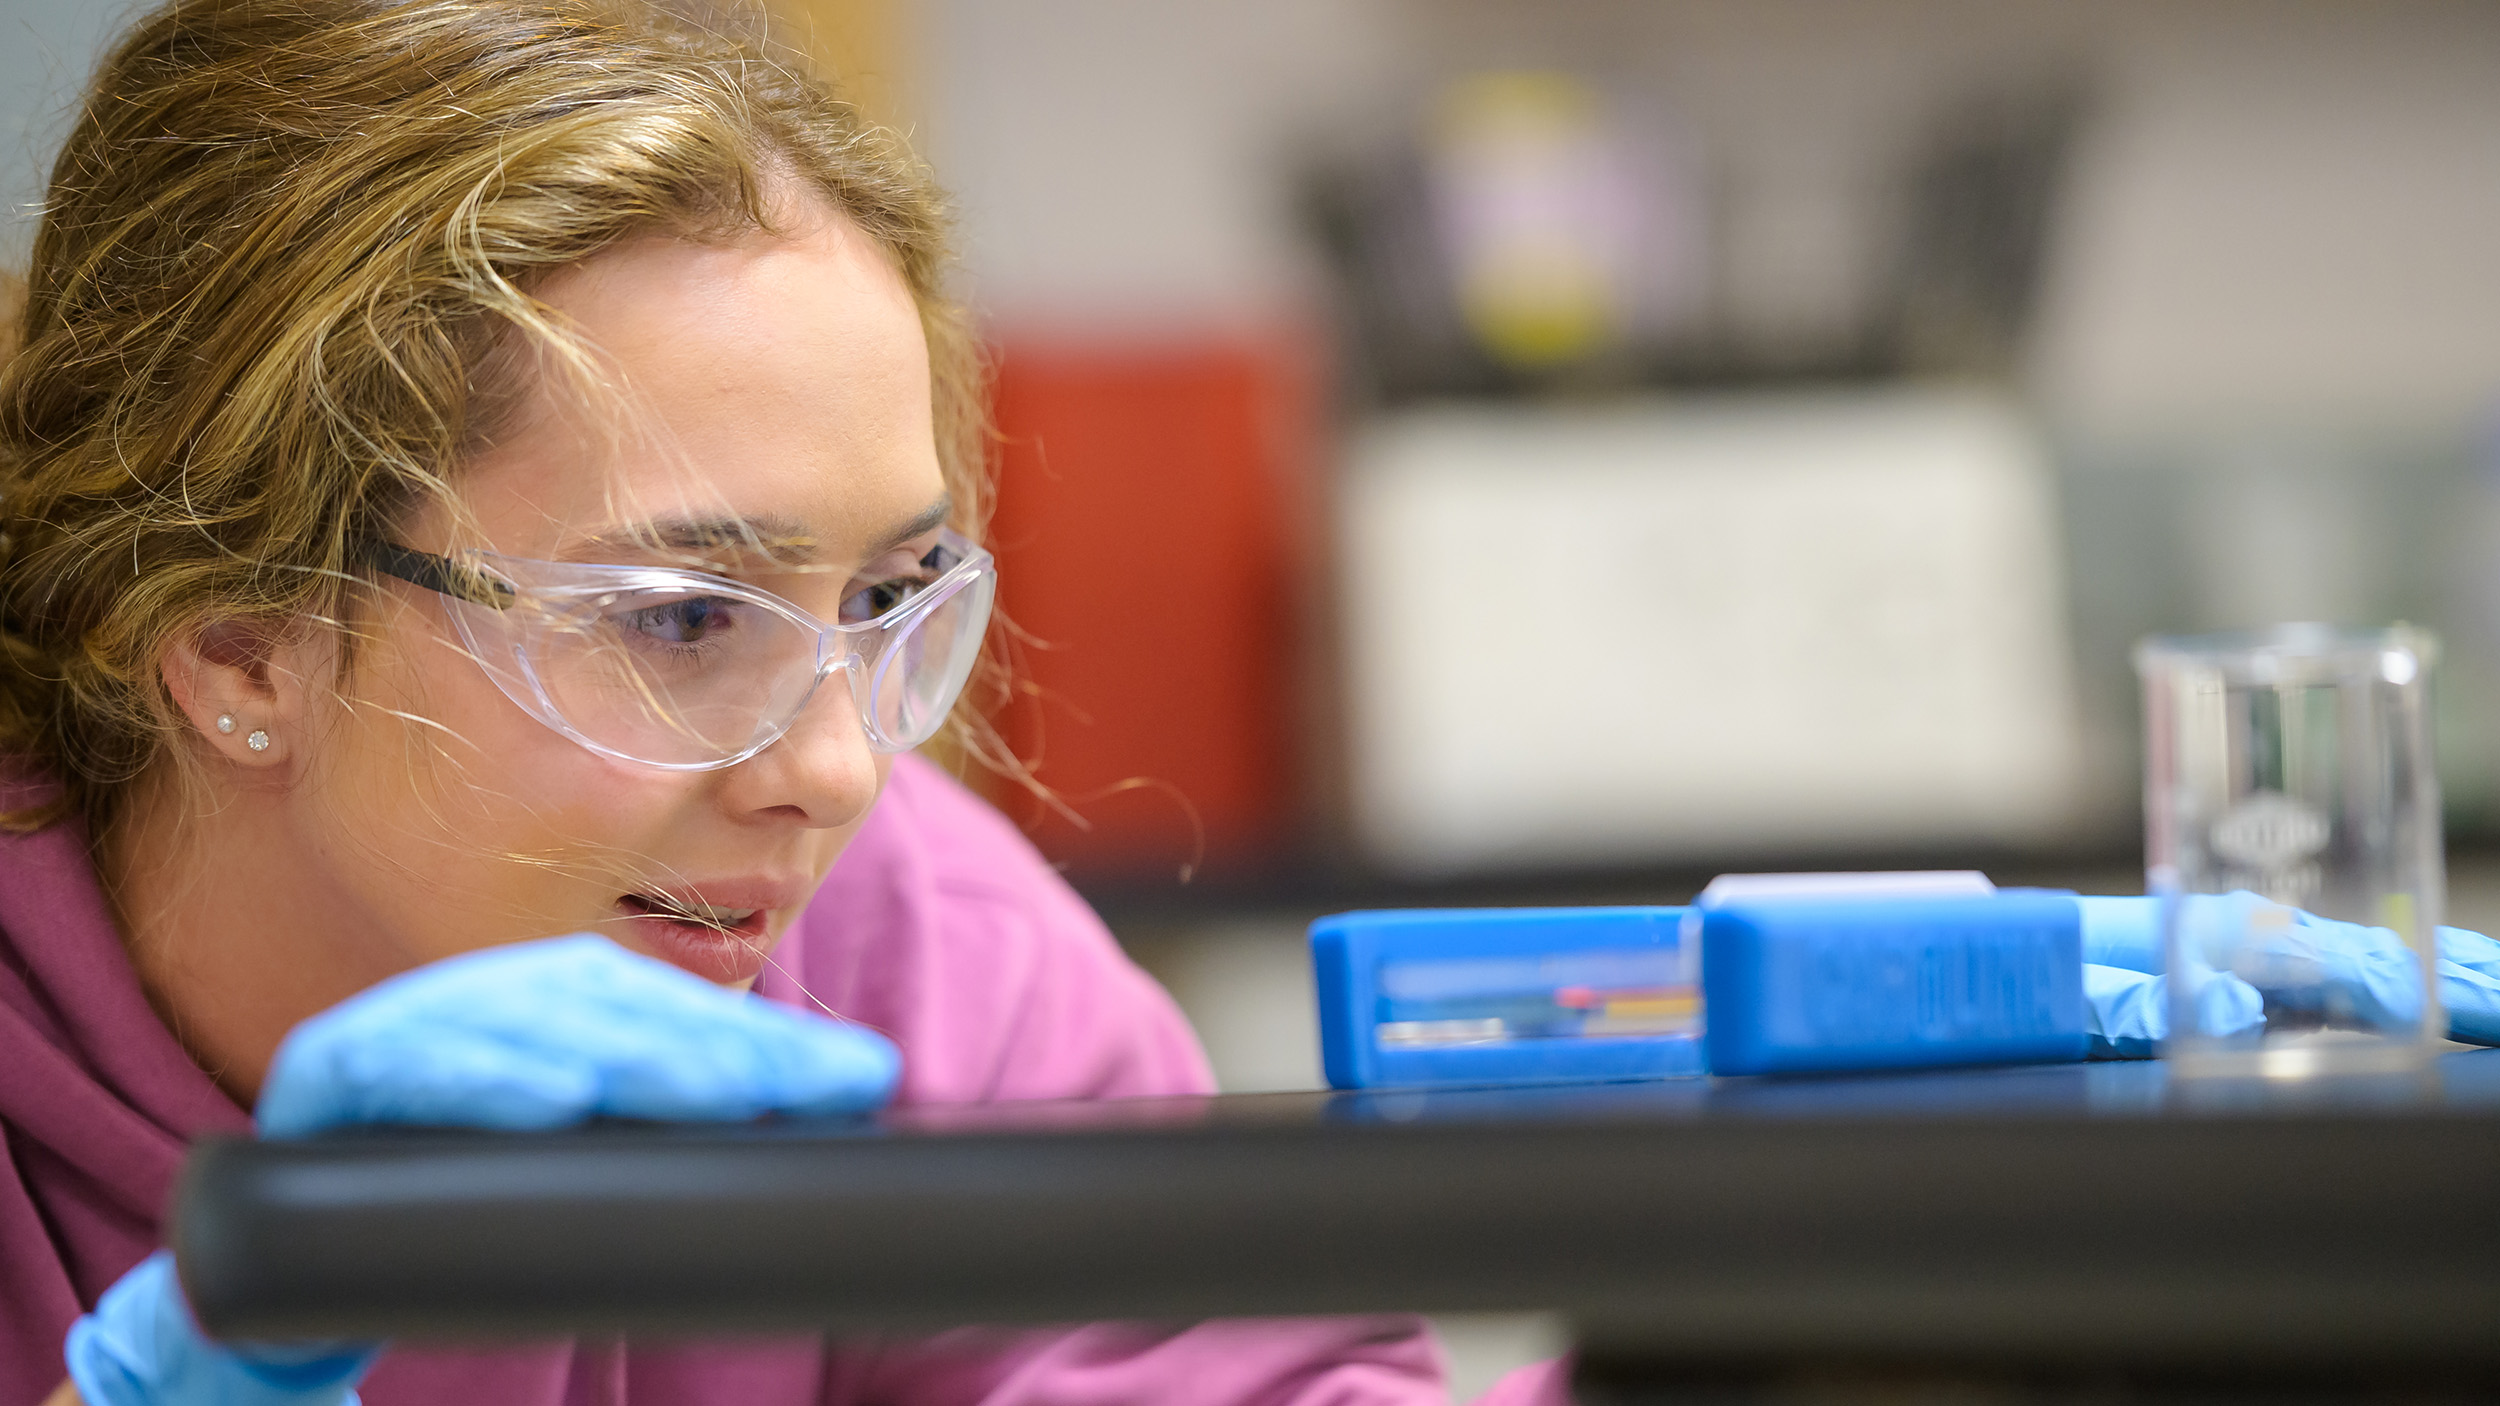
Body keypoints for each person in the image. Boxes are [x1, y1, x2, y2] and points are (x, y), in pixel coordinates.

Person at [0, 2, 1570, 1402]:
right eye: (684, 618)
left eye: (883, 600)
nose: (835, 774)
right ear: (233, 646)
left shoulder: (912, 951)